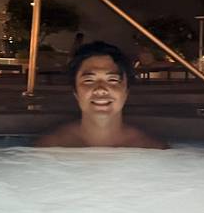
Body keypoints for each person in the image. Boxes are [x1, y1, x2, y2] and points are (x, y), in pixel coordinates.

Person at [35, 41, 167, 149]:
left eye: (112, 80)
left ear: (126, 91)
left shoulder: (151, 150)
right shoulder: (50, 149)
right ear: (75, 92)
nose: (100, 89)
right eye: (89, 80)